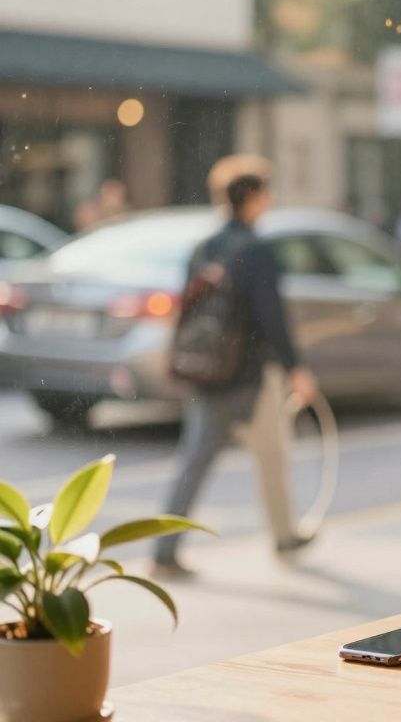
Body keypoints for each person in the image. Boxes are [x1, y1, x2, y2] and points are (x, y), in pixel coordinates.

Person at [153, 158, 320, 578]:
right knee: (273, 455)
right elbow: (272, 317)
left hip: (206, 370)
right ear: (252, 197)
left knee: (194, 460)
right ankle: (284, 536)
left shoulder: (203, 247)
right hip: (250, 374)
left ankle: (163, 550)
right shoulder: (257, 250)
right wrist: (296, 367)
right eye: (265, 193)